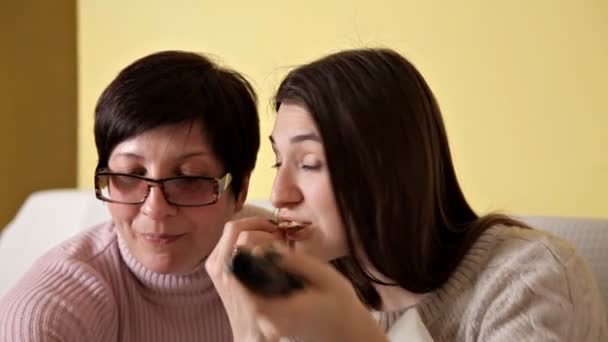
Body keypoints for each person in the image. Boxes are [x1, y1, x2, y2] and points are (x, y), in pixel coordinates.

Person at [205, 48, 608, 341]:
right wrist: (248, 331)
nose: (280, 193)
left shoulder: (529, 278)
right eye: (279, 162)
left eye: (309, 163)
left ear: (386, 168)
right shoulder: (314, 288)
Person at [0, 50, 265, 341]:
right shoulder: (45, 316)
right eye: (130, 175)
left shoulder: (287, 261)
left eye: (188, 178)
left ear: (239, 188)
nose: (155, 208)